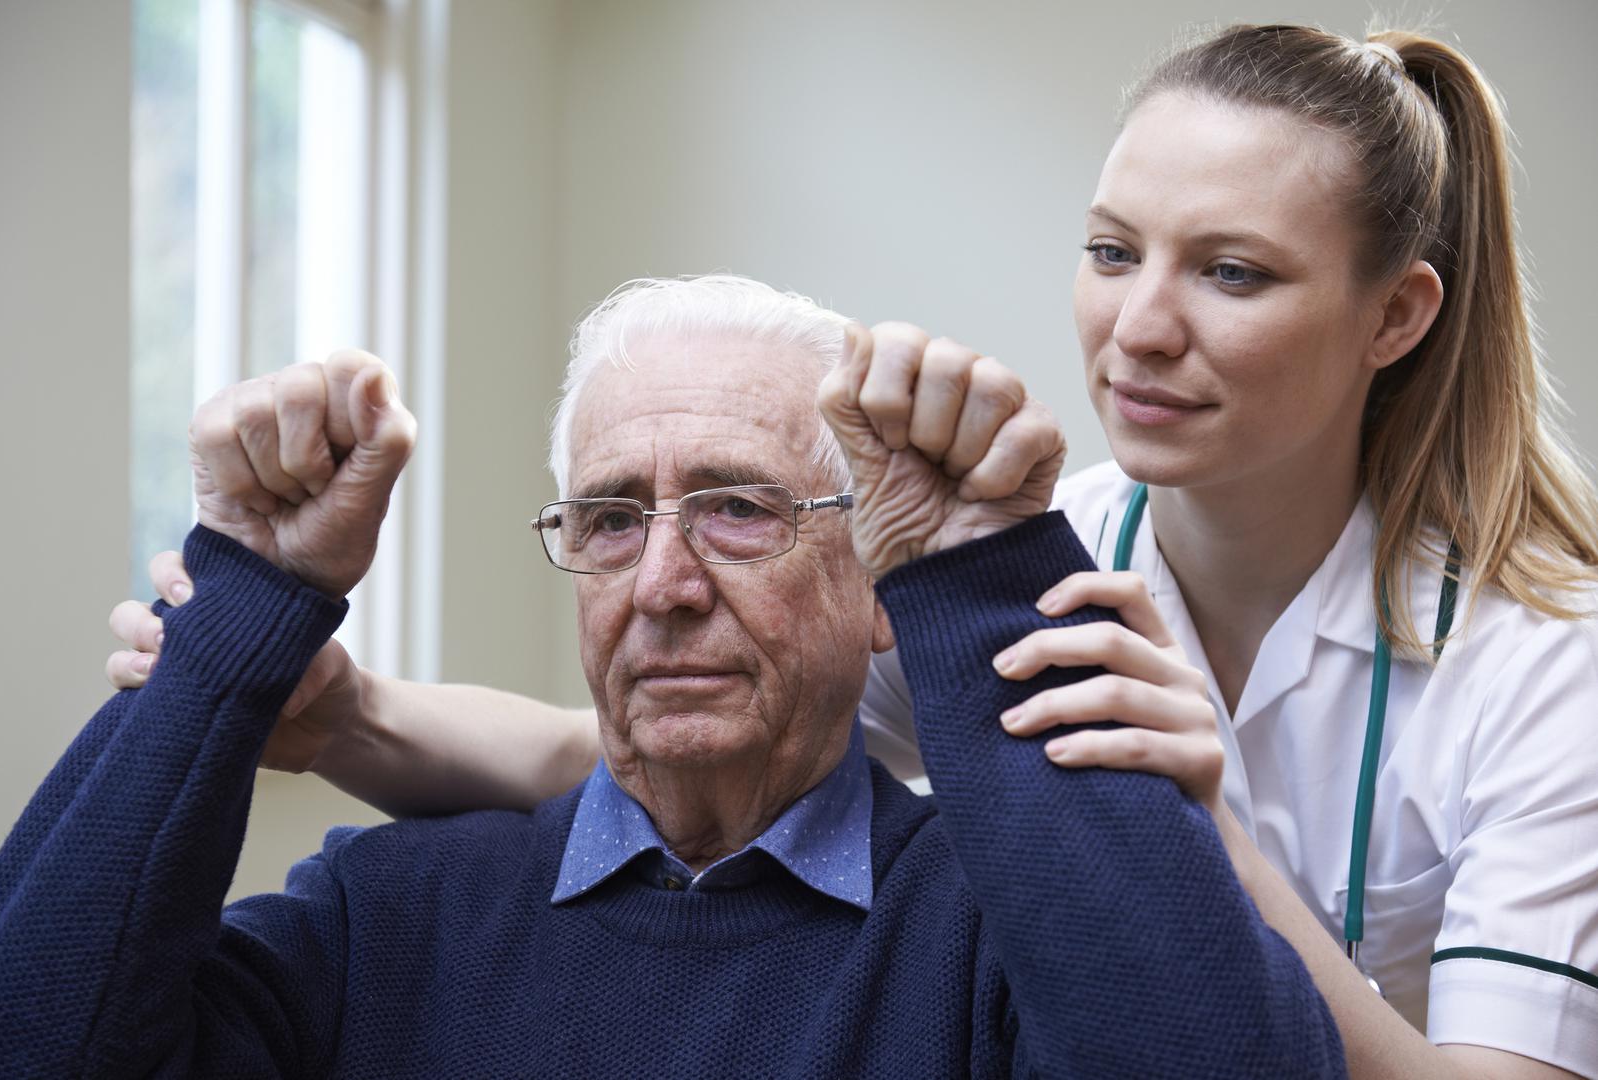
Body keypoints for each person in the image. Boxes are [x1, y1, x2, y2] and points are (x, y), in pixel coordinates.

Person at [105, 23, 1598, 1080]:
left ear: (1395, 316)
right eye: (1107, 249)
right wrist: (328, 712)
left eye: (1230, 272)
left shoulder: (1546, 662)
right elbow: (630, 743)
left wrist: (1180, 825)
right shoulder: (1022, 559)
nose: (1139, 326)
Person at [0, 278, 1344, 1077]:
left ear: (877, 585)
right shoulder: (384, 913)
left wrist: (978, 579)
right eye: (612, 519)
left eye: (742, 508)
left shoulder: (1002, 932)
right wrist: (249, 597)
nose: (665, 584)